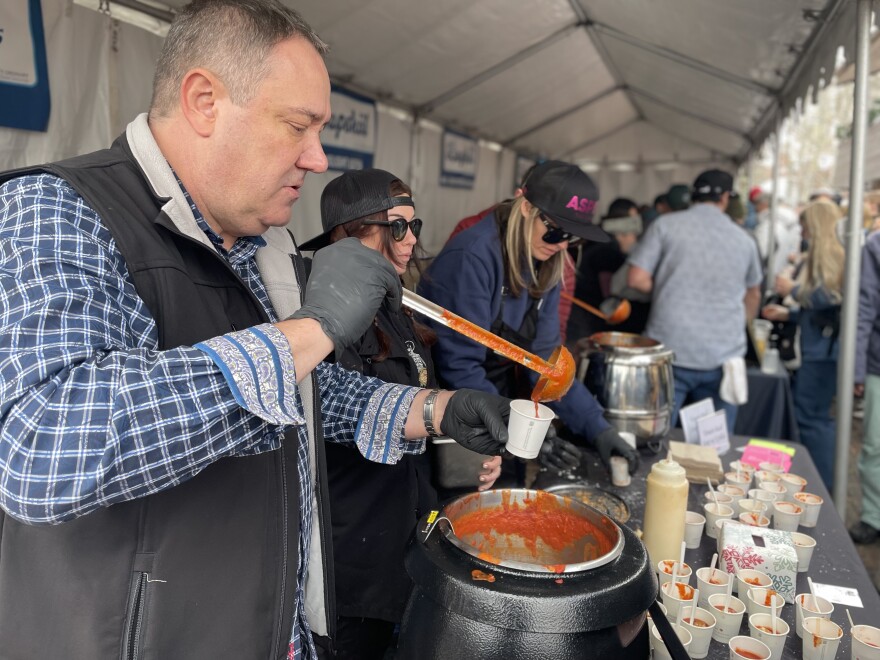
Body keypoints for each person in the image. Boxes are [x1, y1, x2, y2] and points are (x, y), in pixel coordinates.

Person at [0, 2, 511, 658]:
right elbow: (44, 447)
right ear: (205, 101)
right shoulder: (55, 211)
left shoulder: (261, 243)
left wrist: (432, 409)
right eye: (298, 126)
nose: (318, 157)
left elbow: (293, 395)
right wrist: (314, 328)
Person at [298, 168, 502, 658]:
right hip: (352, 553)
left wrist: (460, 452)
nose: (410, 240)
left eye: (415, 226)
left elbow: (417, 401)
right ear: (345, 235)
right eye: (396, 227)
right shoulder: (317, 314)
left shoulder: (396, 303)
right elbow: (325, 411)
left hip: (408, 530)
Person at [418, 160, 640, 480]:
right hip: (451, 415)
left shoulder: (545, 261)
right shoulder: (473, 257)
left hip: (500, 401)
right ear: (525, 207)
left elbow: (546, 365)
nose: (563, 245)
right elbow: (460, 367)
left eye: (573, 238)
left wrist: (598, 427)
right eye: (557, 232)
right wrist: (522, 428)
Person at [627, 170, 763, 434]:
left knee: (652, 440)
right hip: (722, 355)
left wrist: (669, 287)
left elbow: (636, 279)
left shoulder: (665, 225)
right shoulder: (744, 239)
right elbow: (753, 293)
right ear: (725, 197)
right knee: (710, 452)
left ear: (693, 196)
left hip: (668, 349)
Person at [762, 201, 844, 489]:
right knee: (809, 417)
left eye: (807, 225)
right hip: (817, 349)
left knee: (813, 420)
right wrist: (790, 312)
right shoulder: (827, 254)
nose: (804, 231)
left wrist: (792, 291)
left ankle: (821, 484)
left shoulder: (833, 255)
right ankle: (814, 481)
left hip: (822, 353)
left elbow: (833, 298)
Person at [566, 197, 648, 341]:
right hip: (587, 319)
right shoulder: (608, 249)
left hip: (579, 313)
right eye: (632, 220)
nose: (635, 233)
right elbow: (608, 294)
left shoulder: (597, 240)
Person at [851, 227, 880, 543]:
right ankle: (874, 515)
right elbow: (866, 308)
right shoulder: (875, 245)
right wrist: (857, 369)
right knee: (875, 443)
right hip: (877, 365)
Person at [750, 187, 801, 279]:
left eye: (756, 204)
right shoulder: (785, 223)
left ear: (764, 204)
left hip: (766, 276)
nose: (755, 208)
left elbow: (759, 254)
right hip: (779, 273)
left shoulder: (769, 226)